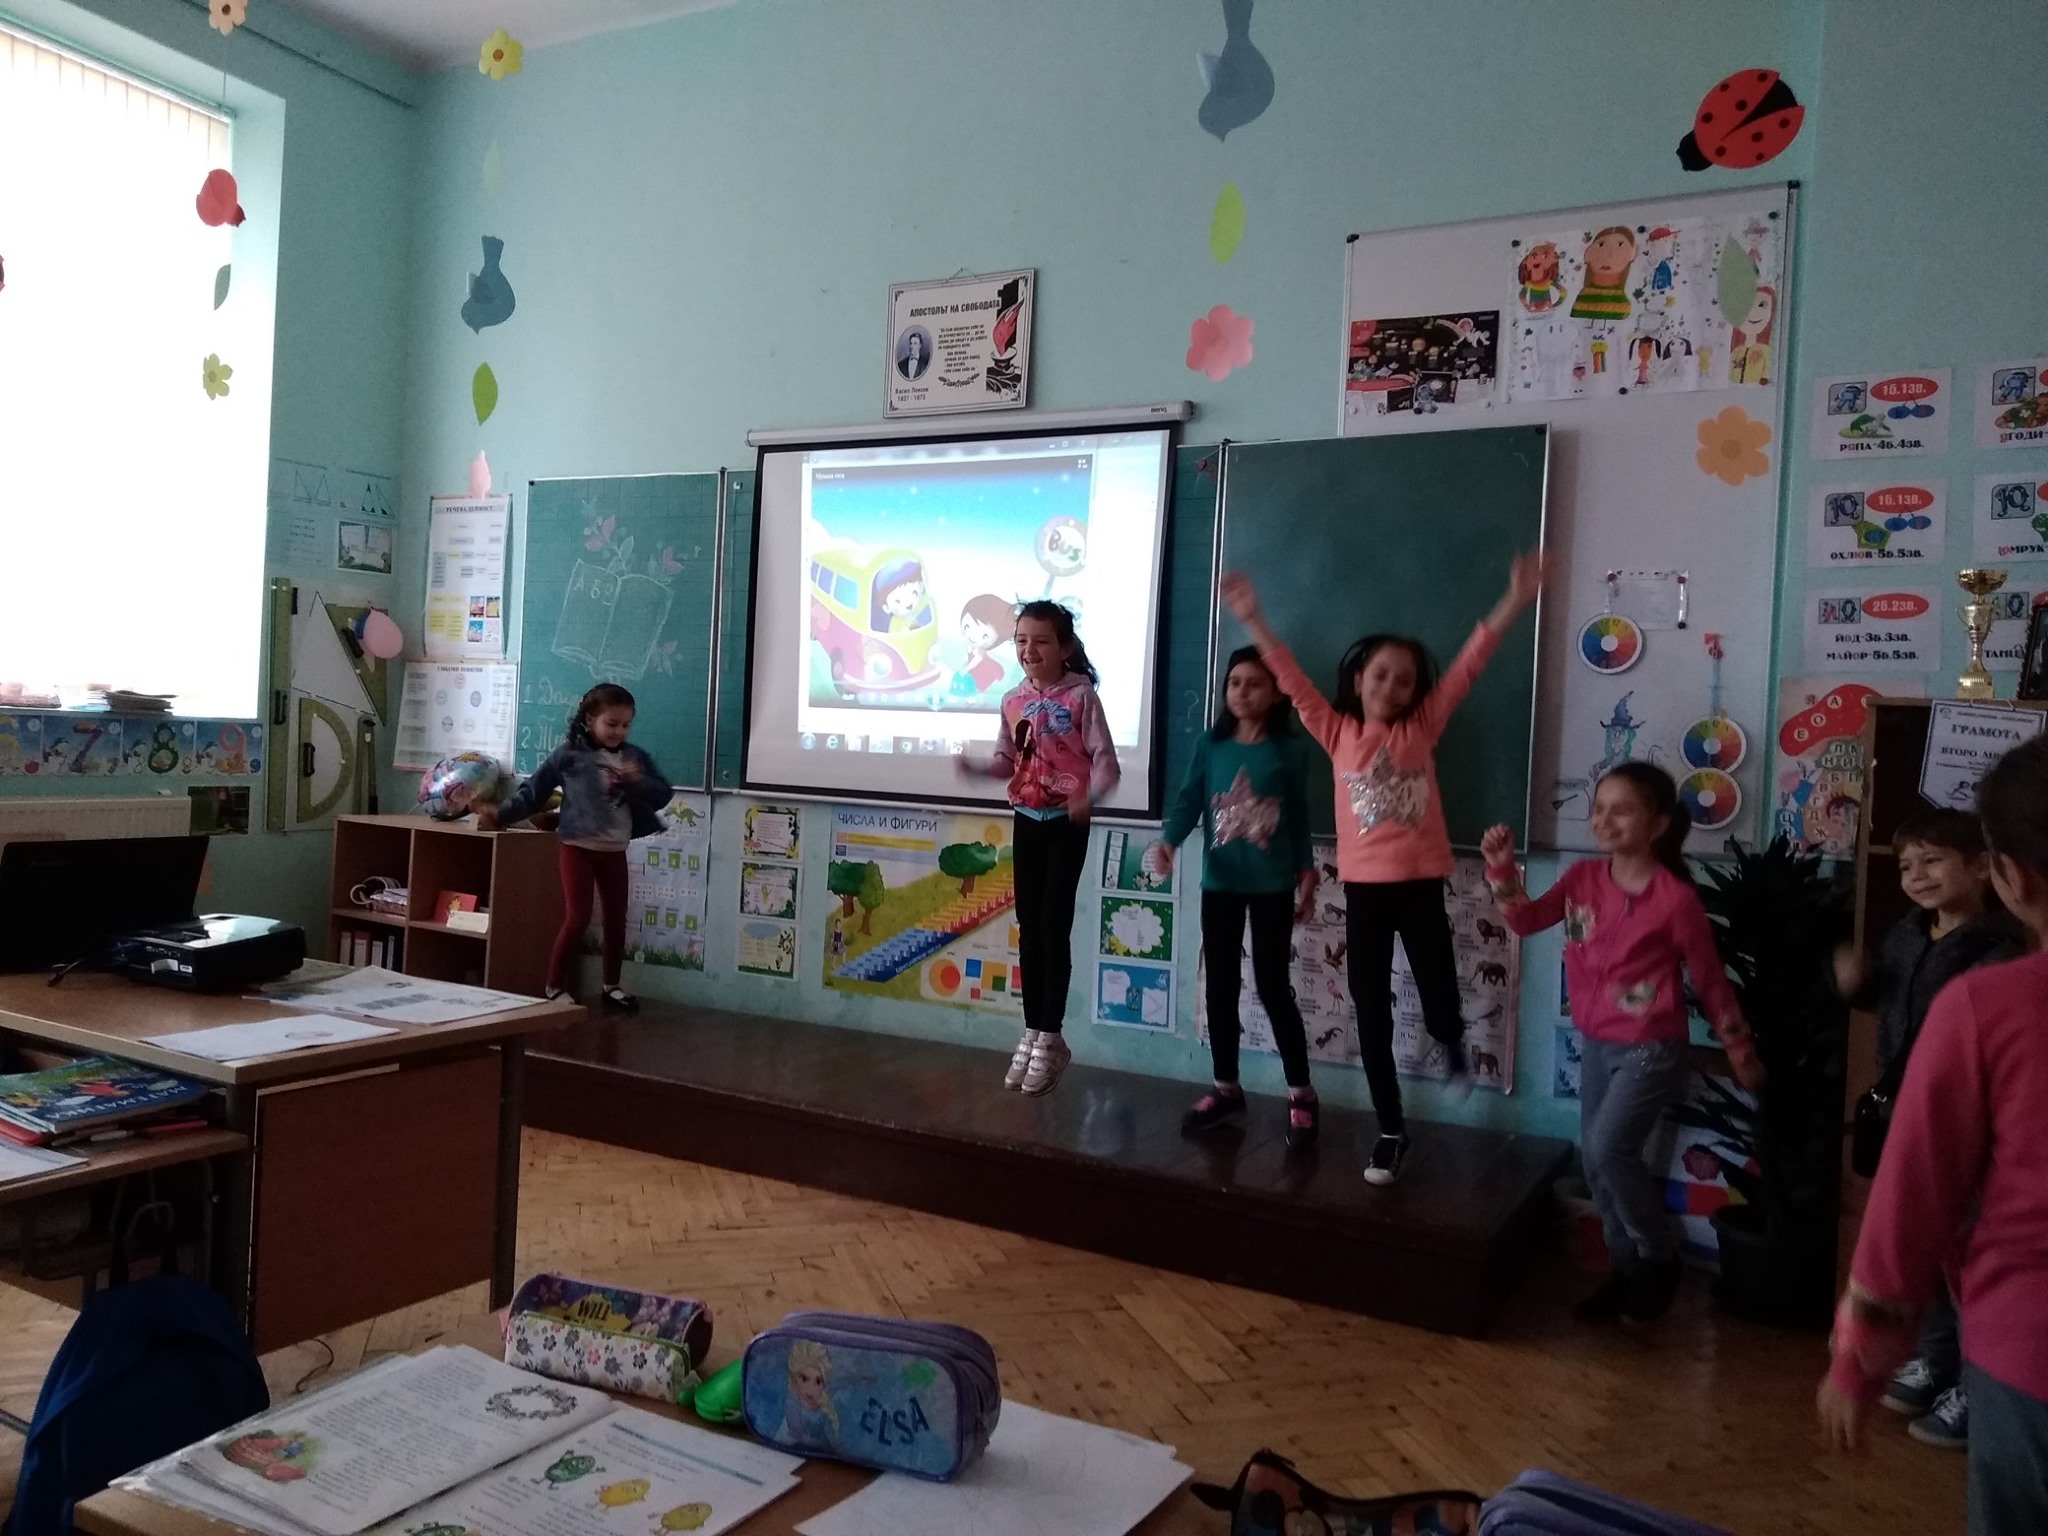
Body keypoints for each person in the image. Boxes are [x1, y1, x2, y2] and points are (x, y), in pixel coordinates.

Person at [1219, 551, 1544, 1187]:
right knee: (1371, 1012)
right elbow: (1289, 676)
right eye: (1382, 675)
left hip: (1421, 887)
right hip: (1364, 894)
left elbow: (1472, 662)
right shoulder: (1335, 731)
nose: (1393, 688)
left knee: (1439, 993)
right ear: (1359, 678)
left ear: (1417, 692)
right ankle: (1391, 1131)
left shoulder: (1424, 726)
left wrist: (1516, 598)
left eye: (1405, 680)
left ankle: (1451, 1044)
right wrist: (1252, 616)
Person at [1820, 736, 2048, 1535]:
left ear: (2006, 875)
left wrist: (1857, 1362)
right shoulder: (1916, 942)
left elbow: (1911, 1202)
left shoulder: (1991, 1000)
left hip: (2029, 1353)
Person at [1481, 763, 1760, 1324]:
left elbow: (1710, 980)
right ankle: (1625, 1269)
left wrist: (1740, 1050)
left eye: (1622, 810)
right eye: (1599, 808)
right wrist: (1501, 868)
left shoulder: (1675, 900)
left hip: (1650, 1047)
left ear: (1658, 824)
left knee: (1610, 1150)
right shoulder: (1583, 879)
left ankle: (1659, 1255)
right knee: (1596, 1160)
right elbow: (1525, 920)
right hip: (1597, 1042)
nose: (1605, 820)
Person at [1832, 807, 2025, 1449]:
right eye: (1907, 865)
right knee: (1933, 1247)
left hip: (1966, 1122)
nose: (1916, 876)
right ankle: (1936, 1358)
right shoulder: (1907, 934)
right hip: (1903, 1109)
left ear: (1984, 868)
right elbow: (1883, 998)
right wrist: (1855, 983)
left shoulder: (2003, 950)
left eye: (1933, 861)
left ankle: (1976, 1380)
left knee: (1967, 1250)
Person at [1150, 647, 1319, 1149]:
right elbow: (1188, 802)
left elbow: (1300, 818)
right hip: (1220, 885)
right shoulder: (1211, 744)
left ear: (1276, 694)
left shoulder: (1290, 750)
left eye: (1254, 683)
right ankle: (1226, 1089)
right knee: (1220, 986)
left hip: (1272, 886)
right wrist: (1169, 842)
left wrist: (1307, 873)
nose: (1242, 692)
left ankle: (1302, 1094)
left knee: (1272, 986)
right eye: (1235, 683)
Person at [959, 601, 1117, 1096]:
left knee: (1052, 924)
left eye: (1042, 641)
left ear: (1064, 648)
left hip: (1066, 824)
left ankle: (1052, 1036)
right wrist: (979, 769)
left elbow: (1107, 763)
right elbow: (1007, 760)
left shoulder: (1081, 698)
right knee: (1029, 927)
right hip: (1026, 820)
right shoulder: (1011, 699)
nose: (1029, 650)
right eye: (1021, 641)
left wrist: (1089, 797)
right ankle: (1031, 1032)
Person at [481, 683, 673, 1010]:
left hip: (614, 850)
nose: (619, 731)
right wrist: (500, 814)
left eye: (626, 725)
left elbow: (662, 795)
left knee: (617, 920)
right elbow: (533, 793)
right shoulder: (569, 755)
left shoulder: (634, 757)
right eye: (611, 724)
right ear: (589, 719)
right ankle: (555, 986)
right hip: (577, 849)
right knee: (578, 917)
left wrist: (637, 780)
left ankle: (611, 986)